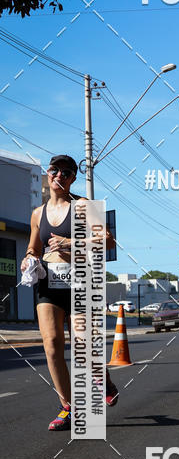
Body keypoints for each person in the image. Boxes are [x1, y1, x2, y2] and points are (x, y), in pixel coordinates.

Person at [21, 154, 118, 431]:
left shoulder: (83, 206)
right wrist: (28, 258)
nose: (59, 175)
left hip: (79, 282)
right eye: (55, 170)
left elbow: (108, 240)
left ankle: (104, 379)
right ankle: (68, 407)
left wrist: (70, 241)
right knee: (52, 345)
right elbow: (33, 247)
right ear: (48, 174)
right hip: (48, 283)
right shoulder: (37, 214)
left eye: (66, 172)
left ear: (73, 178)